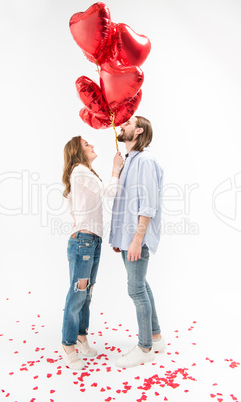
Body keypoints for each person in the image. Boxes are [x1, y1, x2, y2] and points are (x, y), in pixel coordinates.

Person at [60, 136, 123, 370]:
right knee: (78, 293)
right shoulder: (79, 170)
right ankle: (68, 345)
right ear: (77, 151)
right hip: (84, 241)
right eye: (87, 144)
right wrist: (116, 168)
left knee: (86, 293)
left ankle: (81, 337)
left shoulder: (84, 173)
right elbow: (109, 194)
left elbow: (73, 206)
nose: (92, 146)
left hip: (92, 240)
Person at [109, 116, 166, 368]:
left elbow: (148, 204)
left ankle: (145, 348)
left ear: (139, 131)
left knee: (135, 289)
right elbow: (124, 202)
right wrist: (120, 237)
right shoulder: (130, 160)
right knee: (141, 284)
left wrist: (136, 240)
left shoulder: (145, 160)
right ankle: (156, 337)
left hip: (136, 238)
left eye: (128, 124)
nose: (121, 125)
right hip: (128, 237)